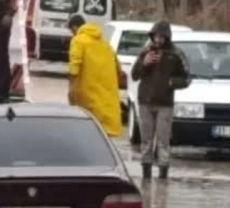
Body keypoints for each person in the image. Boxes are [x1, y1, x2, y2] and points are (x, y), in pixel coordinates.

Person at [131, 20, 190, 180]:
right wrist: (144, 63)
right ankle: (146, 176)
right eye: (155, 36)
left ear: (167, 37)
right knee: (146, 141)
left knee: (163, 142)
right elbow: (134, 75)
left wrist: (171, 82)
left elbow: (187, 78)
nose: (158, 40)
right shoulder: (145, 52)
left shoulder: (176, 54)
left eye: (161, 37)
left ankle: (163, 177)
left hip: (165, 104)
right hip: (145, 102)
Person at [67, 14, 122, 138]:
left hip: (87, 102)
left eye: (71, 31)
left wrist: (71, 93)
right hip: (106, 105)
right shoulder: (105, 44)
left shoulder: (78, 41)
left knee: (85, 137)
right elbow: (118, 68)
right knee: (102, 138)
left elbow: (74, 69)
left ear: (75, 27)